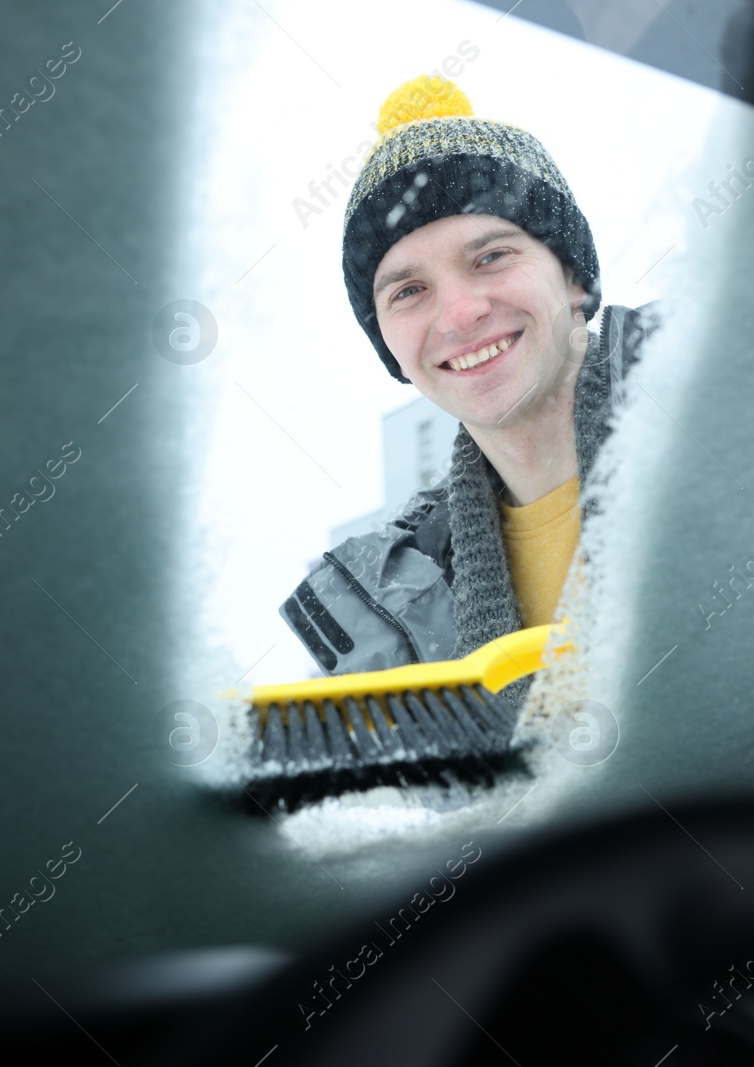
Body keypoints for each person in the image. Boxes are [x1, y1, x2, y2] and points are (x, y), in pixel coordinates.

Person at [278, 74, 660, 709]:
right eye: (408, 291)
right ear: (390, 347)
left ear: (572, 278)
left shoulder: (733, 379)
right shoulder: (387, 605)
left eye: (490, 258)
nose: (458, 313)